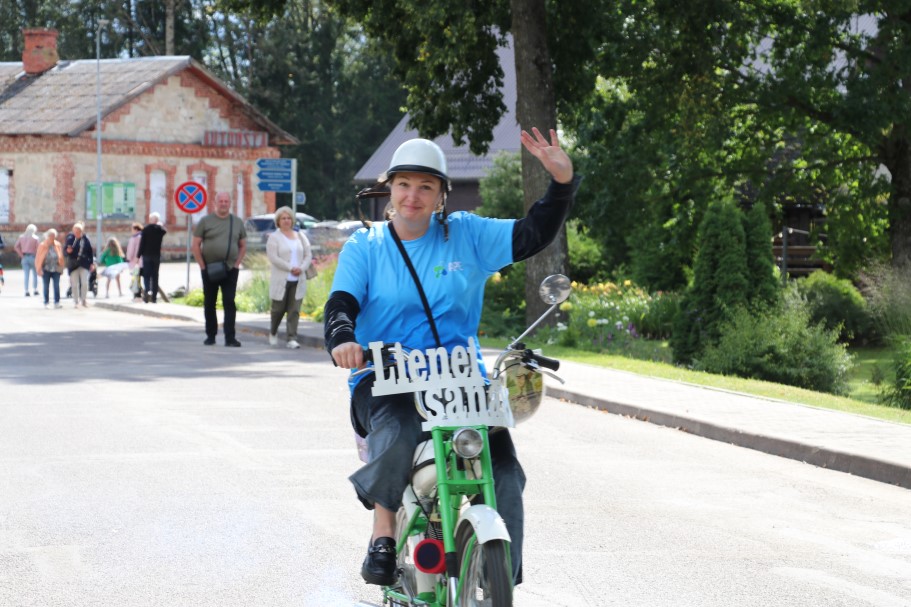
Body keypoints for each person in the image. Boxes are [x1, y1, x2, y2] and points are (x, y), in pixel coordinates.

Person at [323, 129, 578, 586]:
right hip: (385, 378)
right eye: (404, 184)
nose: (413, 196)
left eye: (425, 186)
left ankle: (498, 575)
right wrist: (343, 338)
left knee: (503, 466)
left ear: (441, 194)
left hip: (459, 381)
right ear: (389, 189)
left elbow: (532, 234)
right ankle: (383, 533)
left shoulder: (467, 234)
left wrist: (561, 183)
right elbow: (341, 305)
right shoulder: (366, 246)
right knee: (399, 427)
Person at [191, 191, 247, 347]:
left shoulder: (237, 222)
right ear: (215, 203)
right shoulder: (205, 221)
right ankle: (211, 335)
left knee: (229, 302)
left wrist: (236, 264)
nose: (223, 204)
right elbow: (195, 245)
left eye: (226, 201)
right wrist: (202, 266)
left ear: (230, 203)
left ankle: (230, 337)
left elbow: (243, 245)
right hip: (209, 268)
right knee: (210, 302)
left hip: (230, 268)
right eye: (220, 201)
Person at [266, 206, 313, 349]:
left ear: (292, 220)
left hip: (298, 280)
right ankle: (273, 332)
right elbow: (273, 257)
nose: (286, 221)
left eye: (288, 218)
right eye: (283, 218)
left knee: (294, 310)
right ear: (278, 221)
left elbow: (308, 254)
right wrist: (290, 268)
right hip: (281, 280)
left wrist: (301, 268)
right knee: (278, 310)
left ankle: (292, 338)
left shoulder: (300, 236)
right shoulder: (274, 237)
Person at [138, 212, 166, 303]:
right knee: (155, 276)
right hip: (156, 255)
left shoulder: (145, 229)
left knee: (146, 275)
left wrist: (138, 255)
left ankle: (147, 292)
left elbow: (142, 244)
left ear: (150, 220)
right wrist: (160, 225)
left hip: (146, 255)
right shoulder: (160, 230)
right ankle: (154, 297)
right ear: (157, 220)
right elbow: (164, 231)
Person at [65, 222, 94, 308]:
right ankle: (76, 301)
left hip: (84, 264)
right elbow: (65, 250)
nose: (77, 233)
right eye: (75, 231)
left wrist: (91, 263)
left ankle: (83, 300)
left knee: (84, 283)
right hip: (73, 265)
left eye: (79, 231)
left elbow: (90, 252)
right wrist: (68, 251)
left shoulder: (85, 239)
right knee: (74, 284)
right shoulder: (70, 239)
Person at [35, 228, 64, 309]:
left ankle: (57, 302)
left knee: (56, 286)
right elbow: (38, 257)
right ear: (47, 236)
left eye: (54, 236)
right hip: (46, 268)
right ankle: (46, 302)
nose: (52, 237)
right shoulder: (42, 245)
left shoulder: (57, 244)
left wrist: (61, 267)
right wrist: (38, 268)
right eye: (51, 236)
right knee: (46, 286)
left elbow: (61, 256)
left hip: (56, 268)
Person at [14, 223, 39, 297]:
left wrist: (21, 255)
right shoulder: (35, 238)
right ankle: (35, 289)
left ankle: (26, 290)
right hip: (33, 257)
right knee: (35, 274)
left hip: (24, 256)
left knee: (26, 275)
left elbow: (16, 247)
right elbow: (38, 249)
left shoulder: (21, 237)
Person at [125, 222, 143, 301]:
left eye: (132, 229)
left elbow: (131, 250)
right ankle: (140, 295)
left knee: (136, 279)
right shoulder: (143, 236)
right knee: (140, 278)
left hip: (135, 262)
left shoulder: (134, 238)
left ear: (136, 229)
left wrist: (128, 258)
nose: (131, 231)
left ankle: (137, 296)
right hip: (143, 262)